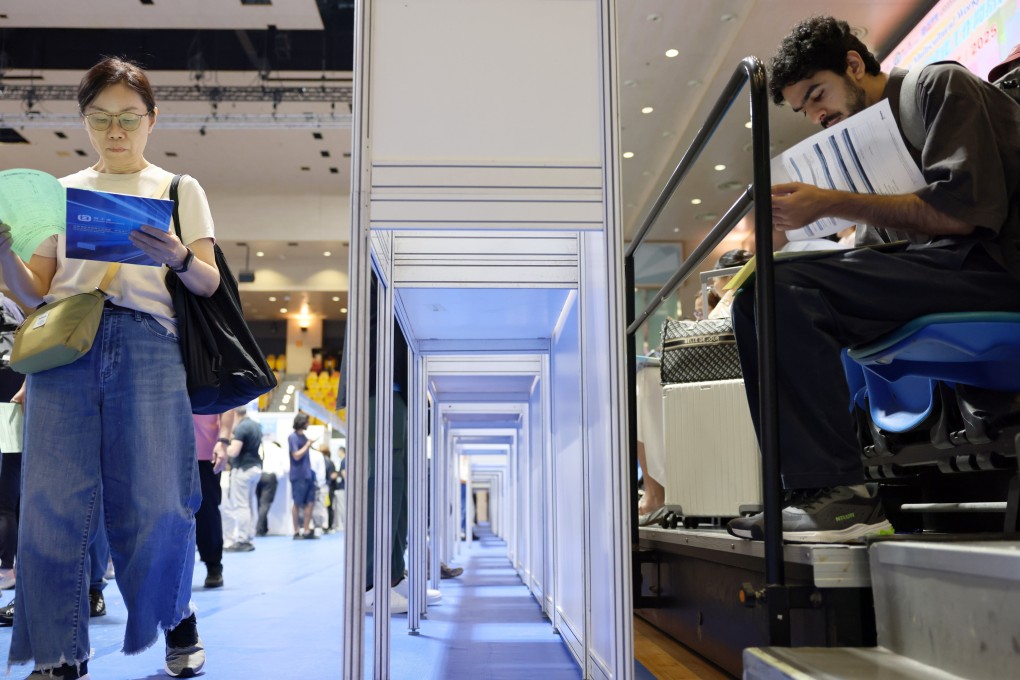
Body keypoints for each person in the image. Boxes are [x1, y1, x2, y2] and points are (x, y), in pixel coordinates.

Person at [726, 17, 1020, 543]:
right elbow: (880, 249)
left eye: (818, 94)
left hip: (994, 269)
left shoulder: (937, 87)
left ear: (855, 65)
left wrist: (833, 203)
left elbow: (964, 214)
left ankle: (843, 498)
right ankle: (812, 491)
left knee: (784, 287)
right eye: (805, 109)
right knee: (760, 293)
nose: (817, 115)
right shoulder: (869, 141)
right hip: (945, 273)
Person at [0, 57, 219, 678]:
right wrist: (3, 254)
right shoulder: (60, 193)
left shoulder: (179, 188)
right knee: (49, 503)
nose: (114, 130)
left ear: (150, 120)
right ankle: (60, 651)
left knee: (156, 502)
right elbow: (36, 293)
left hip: (150, 346)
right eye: (100, 118)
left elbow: (207, 283)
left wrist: (176, 255)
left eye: (127, 117)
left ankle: (177, 620)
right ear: (85, 121)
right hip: (65, 349)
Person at [193, 412, 233, 588]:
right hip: (171, 449)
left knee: (208, 513)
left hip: (206, 452)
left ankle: (214, 566)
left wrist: (224, 441)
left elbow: (228, 407)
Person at [224, 406, 263, 552]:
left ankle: (241, 538)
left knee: (241, 505)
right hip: (255, 467)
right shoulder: (255, 425)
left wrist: (221, 447)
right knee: (251, 503)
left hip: (243, 468)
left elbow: (234, 451)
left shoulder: (242, 428)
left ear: (234, 413)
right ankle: (249, 535)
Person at [288, 413, 319, 539]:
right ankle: (296, 531)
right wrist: (307, 445)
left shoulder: (304, 437)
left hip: (308, 474)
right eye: (307, 422)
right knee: (297, 503)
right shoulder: (293, 437)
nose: (309, 424)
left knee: (310, 502)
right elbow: (296, 455)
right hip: (298, 475)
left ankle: (306, 530)